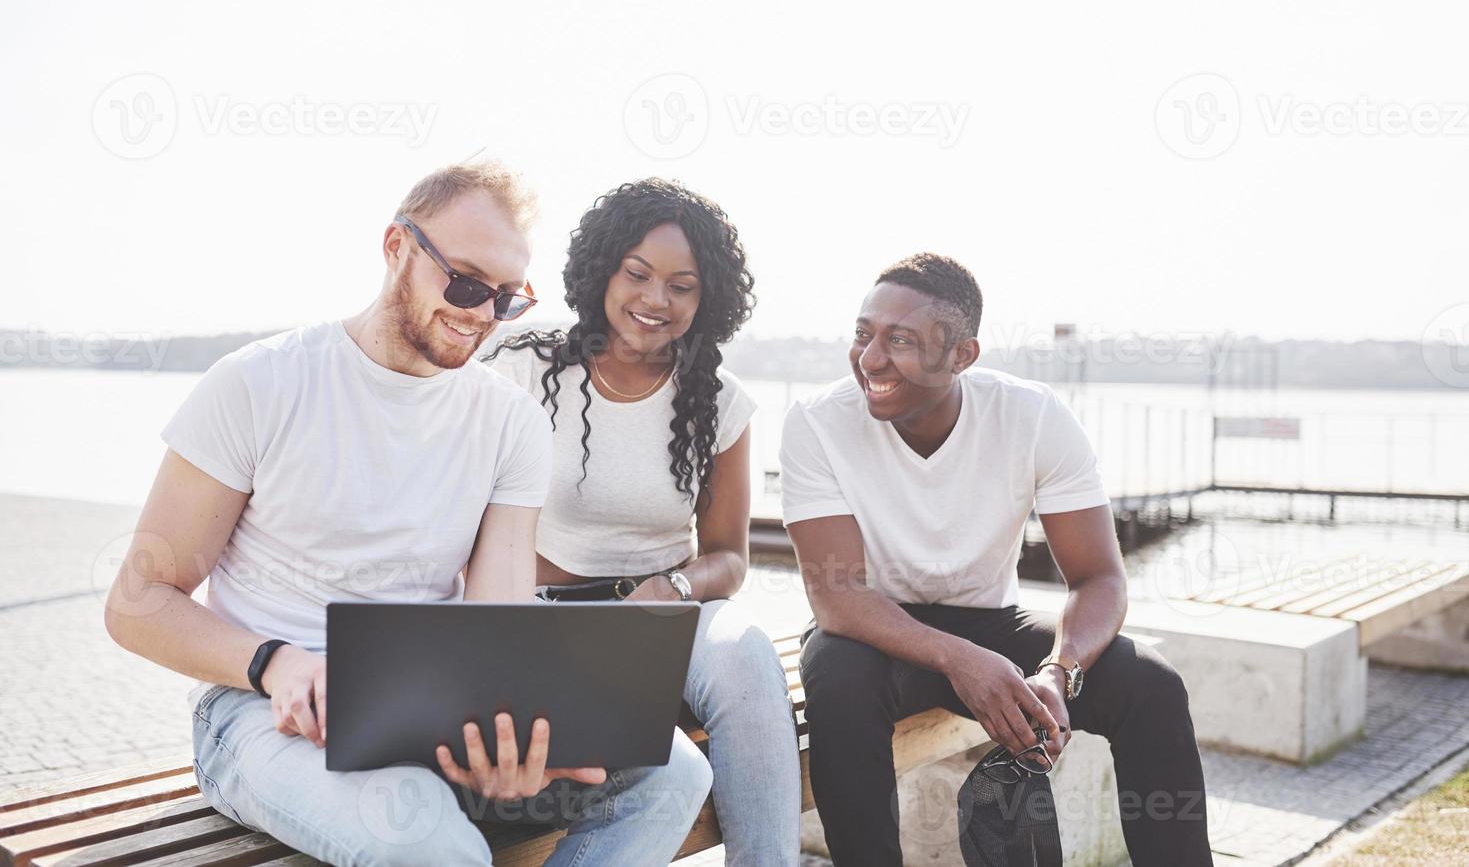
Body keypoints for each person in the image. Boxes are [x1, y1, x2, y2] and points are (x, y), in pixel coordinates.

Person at [103, 160, 713, 866]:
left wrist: (506, 724)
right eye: (464, 282)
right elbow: (138, 602)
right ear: (396, 247)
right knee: (423, 834)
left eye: (507, 299)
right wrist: (276, 663)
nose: (481, 313)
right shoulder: (258, 384)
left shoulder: (508, 421)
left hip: (432, 704)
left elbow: (500, 622)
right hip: (257, 709)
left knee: (675, 773)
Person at [780, 253, 1212, 866]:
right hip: (876, 635)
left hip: (989, 622)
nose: (870, 359)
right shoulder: (817, 423)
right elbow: (838, 598)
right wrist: (961, 662)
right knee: (835, 671)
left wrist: (1059, 674)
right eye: (863, 334)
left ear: (962, 355)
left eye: (899, 341)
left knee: (1152, 683)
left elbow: (1099, 578)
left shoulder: (1032, 416)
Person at [488, 178, 802, 867]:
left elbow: (728, 557)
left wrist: (675, 590)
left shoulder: (719, 402)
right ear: (603, 269)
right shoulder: (519, 362)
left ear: (706, 297)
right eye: (637, 274)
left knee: (747, 653)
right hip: (539, 613)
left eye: (682, 286)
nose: (656, 300)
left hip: (661, 617)